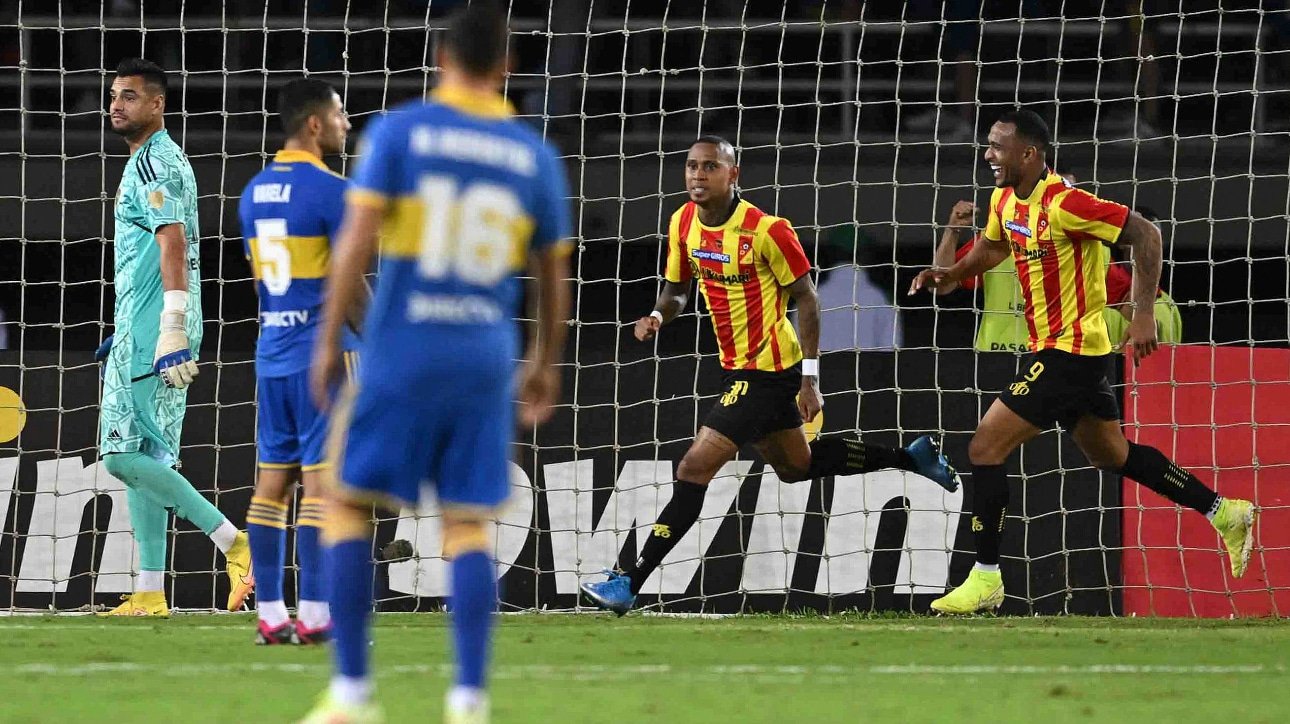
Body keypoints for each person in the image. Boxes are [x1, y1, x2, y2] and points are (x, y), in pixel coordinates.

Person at [303, 4, 572, 722]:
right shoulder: (534, 155)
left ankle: (354, 694)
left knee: (346, 502)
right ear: (508, 67)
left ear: (440, 58)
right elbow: (552, 276)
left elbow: (355, 242)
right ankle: (469, 699)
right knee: (467, 525)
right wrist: (546, 360)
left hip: (403, 347)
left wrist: (328, 340)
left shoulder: (401, 131)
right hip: (485, 355)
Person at [579, 135, 961, 617]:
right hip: (737, 367)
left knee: (693, 469)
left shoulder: (767, 230)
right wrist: (658, 316)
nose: (697, 175)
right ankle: (910, 458)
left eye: (710, 167)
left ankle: (628, 581)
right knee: (795, 467)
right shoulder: (682, 223)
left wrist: (810, 378)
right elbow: (676, 290)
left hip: (769, 370)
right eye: (692, 166)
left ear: (732, 174)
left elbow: (808, 299)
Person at [909, 109, 1255, 614]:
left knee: (984, 448)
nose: (988, 155)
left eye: (997, 147)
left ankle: (985, 578)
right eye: (988, 145)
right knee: (1113, 456)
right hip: (1077, 358)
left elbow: (1147, 236)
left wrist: (1141, 316)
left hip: (1068, 352)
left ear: (1029, 153)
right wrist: (952, 274)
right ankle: (1225, 511)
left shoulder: (1067, 203)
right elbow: (991, 247)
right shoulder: (1004, 200)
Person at [97, 57, 253, 617]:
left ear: (158, 103)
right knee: (148, 453)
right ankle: (149, 588)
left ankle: (233, 541)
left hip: (155, 327)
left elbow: (170, 241)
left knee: (117, 456)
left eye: (131, 96)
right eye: (114, 94)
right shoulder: (163, 159)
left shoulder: (152, 167)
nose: (117, 104)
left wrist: (166, 327)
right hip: (151, 323)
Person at [237, 78, 355, 645]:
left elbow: (262, 281)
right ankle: (313, 615)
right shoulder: (333, 191)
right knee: (321, 487)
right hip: (322, 358)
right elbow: (348, 284)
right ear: (314, 123)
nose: (346, 123)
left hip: (272, 355)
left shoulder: (252, 192)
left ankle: (271, 614)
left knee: (271, 485)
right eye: (339, 113)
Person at [1103, 205, 1183, 345]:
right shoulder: (1097, 283)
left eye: (1156, 238)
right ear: (1123, 242)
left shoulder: (1169, 304)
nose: (1151, 243)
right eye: (1143, 236)